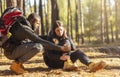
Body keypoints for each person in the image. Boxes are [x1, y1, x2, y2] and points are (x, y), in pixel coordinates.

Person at [0, 7, 70, 74]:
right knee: (38, 46)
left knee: (35, 43)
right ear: (32, 21)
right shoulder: (25, 29)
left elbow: (37, 37)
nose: (38, 26)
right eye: (38, 23)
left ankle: (19, 64)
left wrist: (50, 38)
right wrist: (60, 48)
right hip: (11, 52)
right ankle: (16, 64)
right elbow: (40, 41)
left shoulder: (21, 26)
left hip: (11, 50)